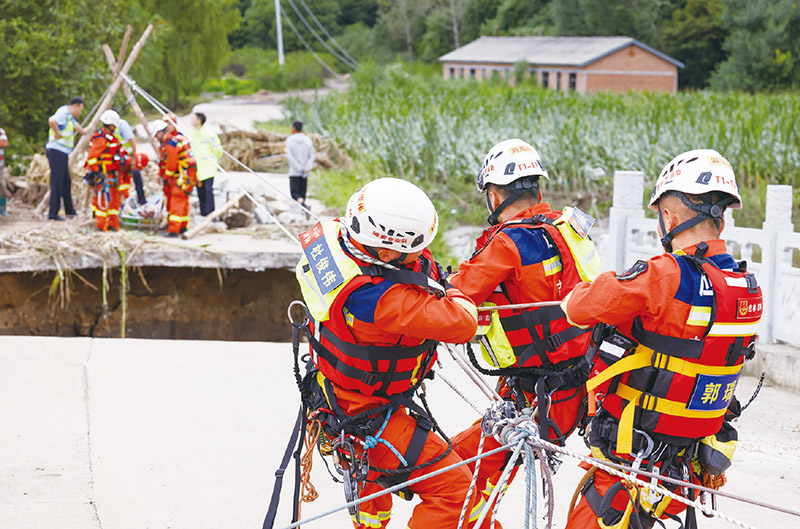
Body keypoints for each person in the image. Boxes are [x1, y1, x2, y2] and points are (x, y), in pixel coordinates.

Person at [562, 149, 762, 529]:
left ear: (668, 216)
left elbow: (579, 308)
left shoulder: (663, 276)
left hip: (627, 470)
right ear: (721, 217)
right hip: (684, 476)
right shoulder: (747, 289)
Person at [294, 177, 481, 529]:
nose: (421, 255)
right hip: (367, 414)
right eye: (414, 250)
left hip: (338, 398)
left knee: (371, 491)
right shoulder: (381, 301)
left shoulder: (332, 238)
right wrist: (452, 290)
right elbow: (463, 322)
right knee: (456, 489)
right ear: (385, 254)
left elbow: (414, 263)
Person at [447, 139, 601, 526]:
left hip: (540, 394)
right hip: (579, 386)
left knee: (457, 477)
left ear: (495, 194)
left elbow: (459, 292)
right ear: (539, 190)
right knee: (466, 464)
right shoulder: (569, 231)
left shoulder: (507, 244)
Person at [150, 117, 197, 237]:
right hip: (185, 176)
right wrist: (161, 175)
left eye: (156, 136)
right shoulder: (171, 142)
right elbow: (164, 162)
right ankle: (182, 226)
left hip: (181, 177)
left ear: (160, 133)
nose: (156, 139)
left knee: (177, 200)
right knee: (181, 201)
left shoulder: (170, 145)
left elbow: (171, 165)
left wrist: (165, 177)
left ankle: (174, 229)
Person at [46, 97, 87, 220]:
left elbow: (79, 128)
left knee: (66, 181)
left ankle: (70, 210)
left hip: (62, 153)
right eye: (80, 109)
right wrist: (57, 133)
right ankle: (53, 213)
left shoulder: (69, 116)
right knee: (57, 182)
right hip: (56, 151)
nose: (80, 112)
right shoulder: (63, 113)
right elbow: (52, 120)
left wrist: (87, 130)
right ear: (75, 105)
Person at [84, 110, 123, 232]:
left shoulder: (110, 138)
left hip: (111, 175)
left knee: (113, 201)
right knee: (103, 201)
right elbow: (91, 157)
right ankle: (101, 226)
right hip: (104, 175)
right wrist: (97, 172)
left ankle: (112, 224)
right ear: (111, 125)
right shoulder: (101, 139)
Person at [186, 112, 222, 216]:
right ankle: (203, 214)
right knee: (200, 191)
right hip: (196, 168)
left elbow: (218, 150)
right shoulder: (191, 134)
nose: (191, 120)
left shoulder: (208, 133)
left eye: (194, 118)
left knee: (208, 191)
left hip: (208, 168)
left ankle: (211, 214)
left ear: (199, 121)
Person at [114, 114, 147, 205]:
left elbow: (131, 139)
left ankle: (141, 199)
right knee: (122, 179)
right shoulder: (111, 127)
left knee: (135, 176)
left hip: (128, 156)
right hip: (120, 159)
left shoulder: (121, 125)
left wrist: (133, 156)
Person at [286, 120, 314, 208]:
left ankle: (303, 206)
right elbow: (312, 156)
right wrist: (306, 168)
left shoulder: (290, 140)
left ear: (294, 128)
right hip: (304, 173)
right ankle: (303, 208)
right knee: (302, 193)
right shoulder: (308, 140)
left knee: (295, 194)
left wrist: (299, 168)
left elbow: (290, 157)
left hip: (294, 171)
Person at [0, 126, 9, 216]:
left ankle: (2, 210)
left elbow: (4, 143)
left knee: (2, 187)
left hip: (0, 166)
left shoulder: (1, 131)